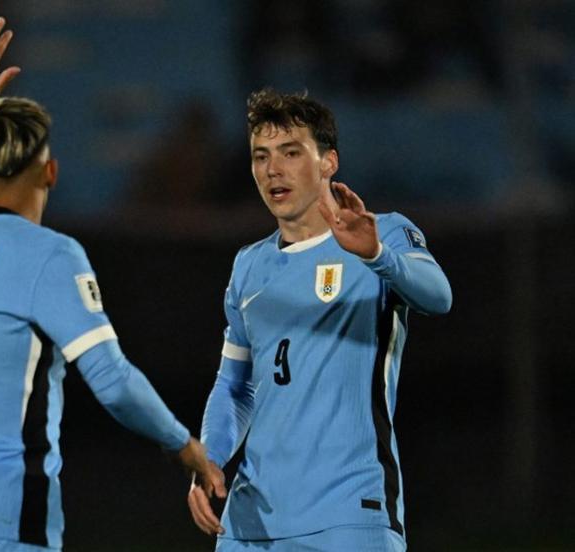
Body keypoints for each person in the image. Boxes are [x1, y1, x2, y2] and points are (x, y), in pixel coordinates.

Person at [0, 15, 222, 552]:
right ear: (51, 173)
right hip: (3, 512)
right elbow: (111, 379)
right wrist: (184, 445)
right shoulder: (49, 256)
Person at [187, 89, 452, 551]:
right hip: (251, 525)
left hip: (349, 514)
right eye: (261, 156)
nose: (273, 170)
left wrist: (377, 256)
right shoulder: (249, 266)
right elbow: (234, 385)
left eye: (291, 153)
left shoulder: (381, 232)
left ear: (328, 162)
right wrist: (210, 460)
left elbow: (439, 296)